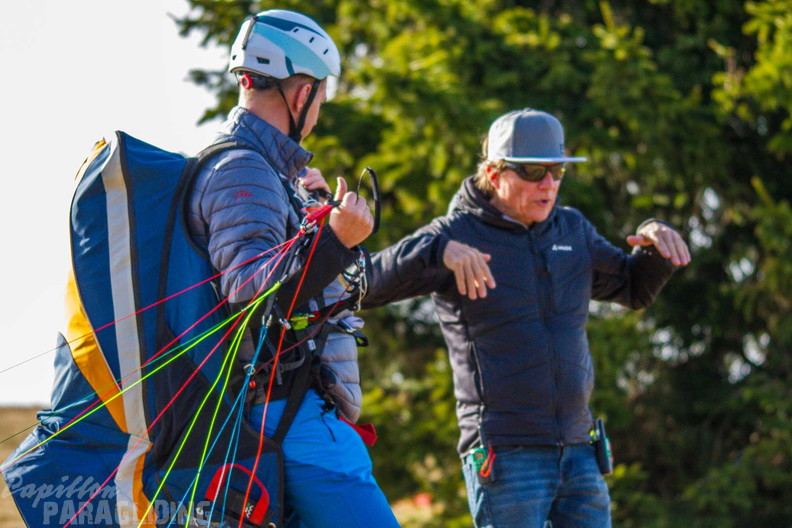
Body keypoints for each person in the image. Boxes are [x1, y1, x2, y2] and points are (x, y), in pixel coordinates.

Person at [362, 108, 691, 528]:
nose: (549, 184)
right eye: (535, 172)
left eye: (557, 171)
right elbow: (366, 284)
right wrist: (435, 252)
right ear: (495, 173)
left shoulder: (572, 230)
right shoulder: (452, 235)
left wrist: (653, 240)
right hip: (506, 456)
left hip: (579, 449)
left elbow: (632, 289)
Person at [186, 9, 400, 528]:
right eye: (320, 97)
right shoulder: (243, 168)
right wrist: (336, 240)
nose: (319, 110)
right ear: (302, 94)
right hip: (288, 415)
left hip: (290, 411)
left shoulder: (264, 173)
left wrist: (315, 215)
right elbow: (252, 295)